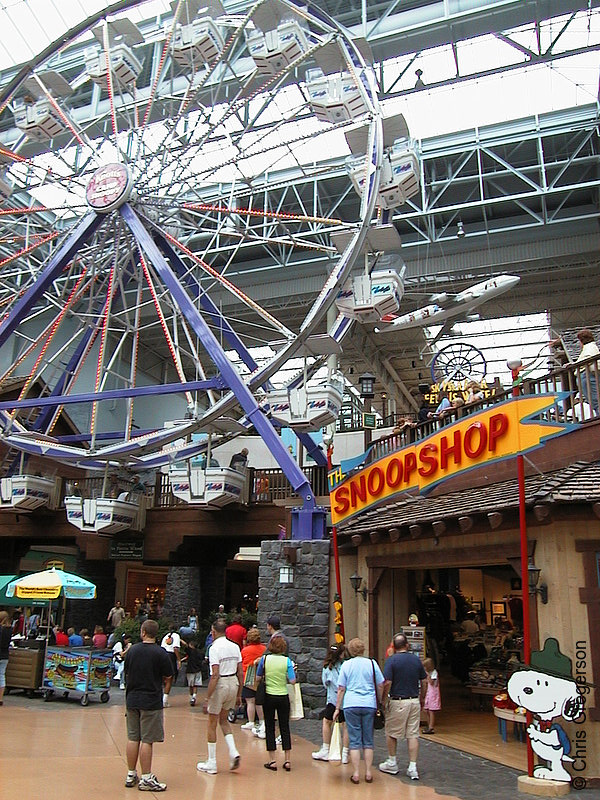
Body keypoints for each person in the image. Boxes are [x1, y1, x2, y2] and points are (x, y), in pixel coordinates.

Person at [123, 618, 172, 791]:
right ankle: (146, 777)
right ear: (155, 634)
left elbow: (126, 672)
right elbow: (168, 675)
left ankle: (131, 773)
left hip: (132, 699)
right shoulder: (160, 653)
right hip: (151, 700)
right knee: (147, 739)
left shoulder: (132, 650)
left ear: (143, 632)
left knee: (133, 737)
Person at [332, 637, 385, 785]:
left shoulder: (346, 665)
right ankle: (368, 772)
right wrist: (380, 701)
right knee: (368, 740)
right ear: (363, 649)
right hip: (369, 703)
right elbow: (381, 684)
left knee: (354, 740)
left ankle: (356, 773)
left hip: (351, 704)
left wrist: (337, 708)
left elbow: (341, 688)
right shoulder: (372, 663)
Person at [196, 618, 243, 775]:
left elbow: (215, 675)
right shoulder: (235, 646)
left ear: (214, 632)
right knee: (224, 719)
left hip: (221, 683)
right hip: (233, 682)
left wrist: (208, 697)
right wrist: (239, 694)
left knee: (212, 722)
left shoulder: (214, 648)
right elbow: (240, 672)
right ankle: (233, 751)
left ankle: (212, 762)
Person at [378, 633, 427, 780]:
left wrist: (383, 699)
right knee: (413, 734)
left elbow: (387, 683)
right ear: (407, 645)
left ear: (394, 646)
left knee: (391, 732)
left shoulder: (391, 661)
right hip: (414, 700)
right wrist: (422, 697)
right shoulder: (416, 660)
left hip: (398, 700)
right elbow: (424, 681)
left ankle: (392, 761)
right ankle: (413, 767)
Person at [257, 635, 296, 772]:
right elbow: (292, 681)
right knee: (284, 726)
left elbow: (257, 677)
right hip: (283, 695)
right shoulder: (287, 661)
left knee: (270, 726)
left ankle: (272, 760)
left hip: (269, 695)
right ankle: (287, 760)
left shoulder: (265, 659)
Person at [312, 644, 350, 764]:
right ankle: (344, 753)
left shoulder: (327, 668)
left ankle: (326, 748)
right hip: (346, 699)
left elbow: (325, 683)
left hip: (333, 700)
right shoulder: (346, 665)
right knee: (345, 725)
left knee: (327, 722)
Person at [240, 627, 266, 737]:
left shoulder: (245, 650)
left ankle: (251, 722)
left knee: (250, 701)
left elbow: (242, 664)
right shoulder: (264, 649)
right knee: (259, 702)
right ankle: (262, 721)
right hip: (261, 678)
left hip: (249, 678)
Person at [576, 328, 599, 412]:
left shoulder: (590, 347)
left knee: (595, 401)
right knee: (594, 401)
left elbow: (588, 357)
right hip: (587, 375)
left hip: (587, 375)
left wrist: (576, 365)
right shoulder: (590, 347)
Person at [160, 629, 181, 707]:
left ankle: (159, 698)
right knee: (169, 678)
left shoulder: (165, 636)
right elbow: (175, 648)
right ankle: (164, 700)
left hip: (163, 655)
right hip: (170, 656)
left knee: (162, 677)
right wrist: (179, 659)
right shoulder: (176, 636)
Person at [182, 638, 203, 706]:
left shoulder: (190, 651)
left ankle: (191, 697)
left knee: (190, 685)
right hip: (198, 670)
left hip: (190, 670)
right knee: (195, 684)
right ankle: (194, 696)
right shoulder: (200, 652)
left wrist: (179, 639)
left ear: (192, 646)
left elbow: (185, 645)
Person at [422, 657, 441, 734]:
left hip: (433, 693)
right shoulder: (430, 673)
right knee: (425, 709)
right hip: (429, 693)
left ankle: (431, 727)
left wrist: (427, 676)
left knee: (431, 710)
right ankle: (429, 723)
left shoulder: (434, 673)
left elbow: (432, 682)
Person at [0, 610, 12, 706]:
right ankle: (0, 698)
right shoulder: (9, 629)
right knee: (1, 676)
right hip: (5, 655)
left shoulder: (0, 629)